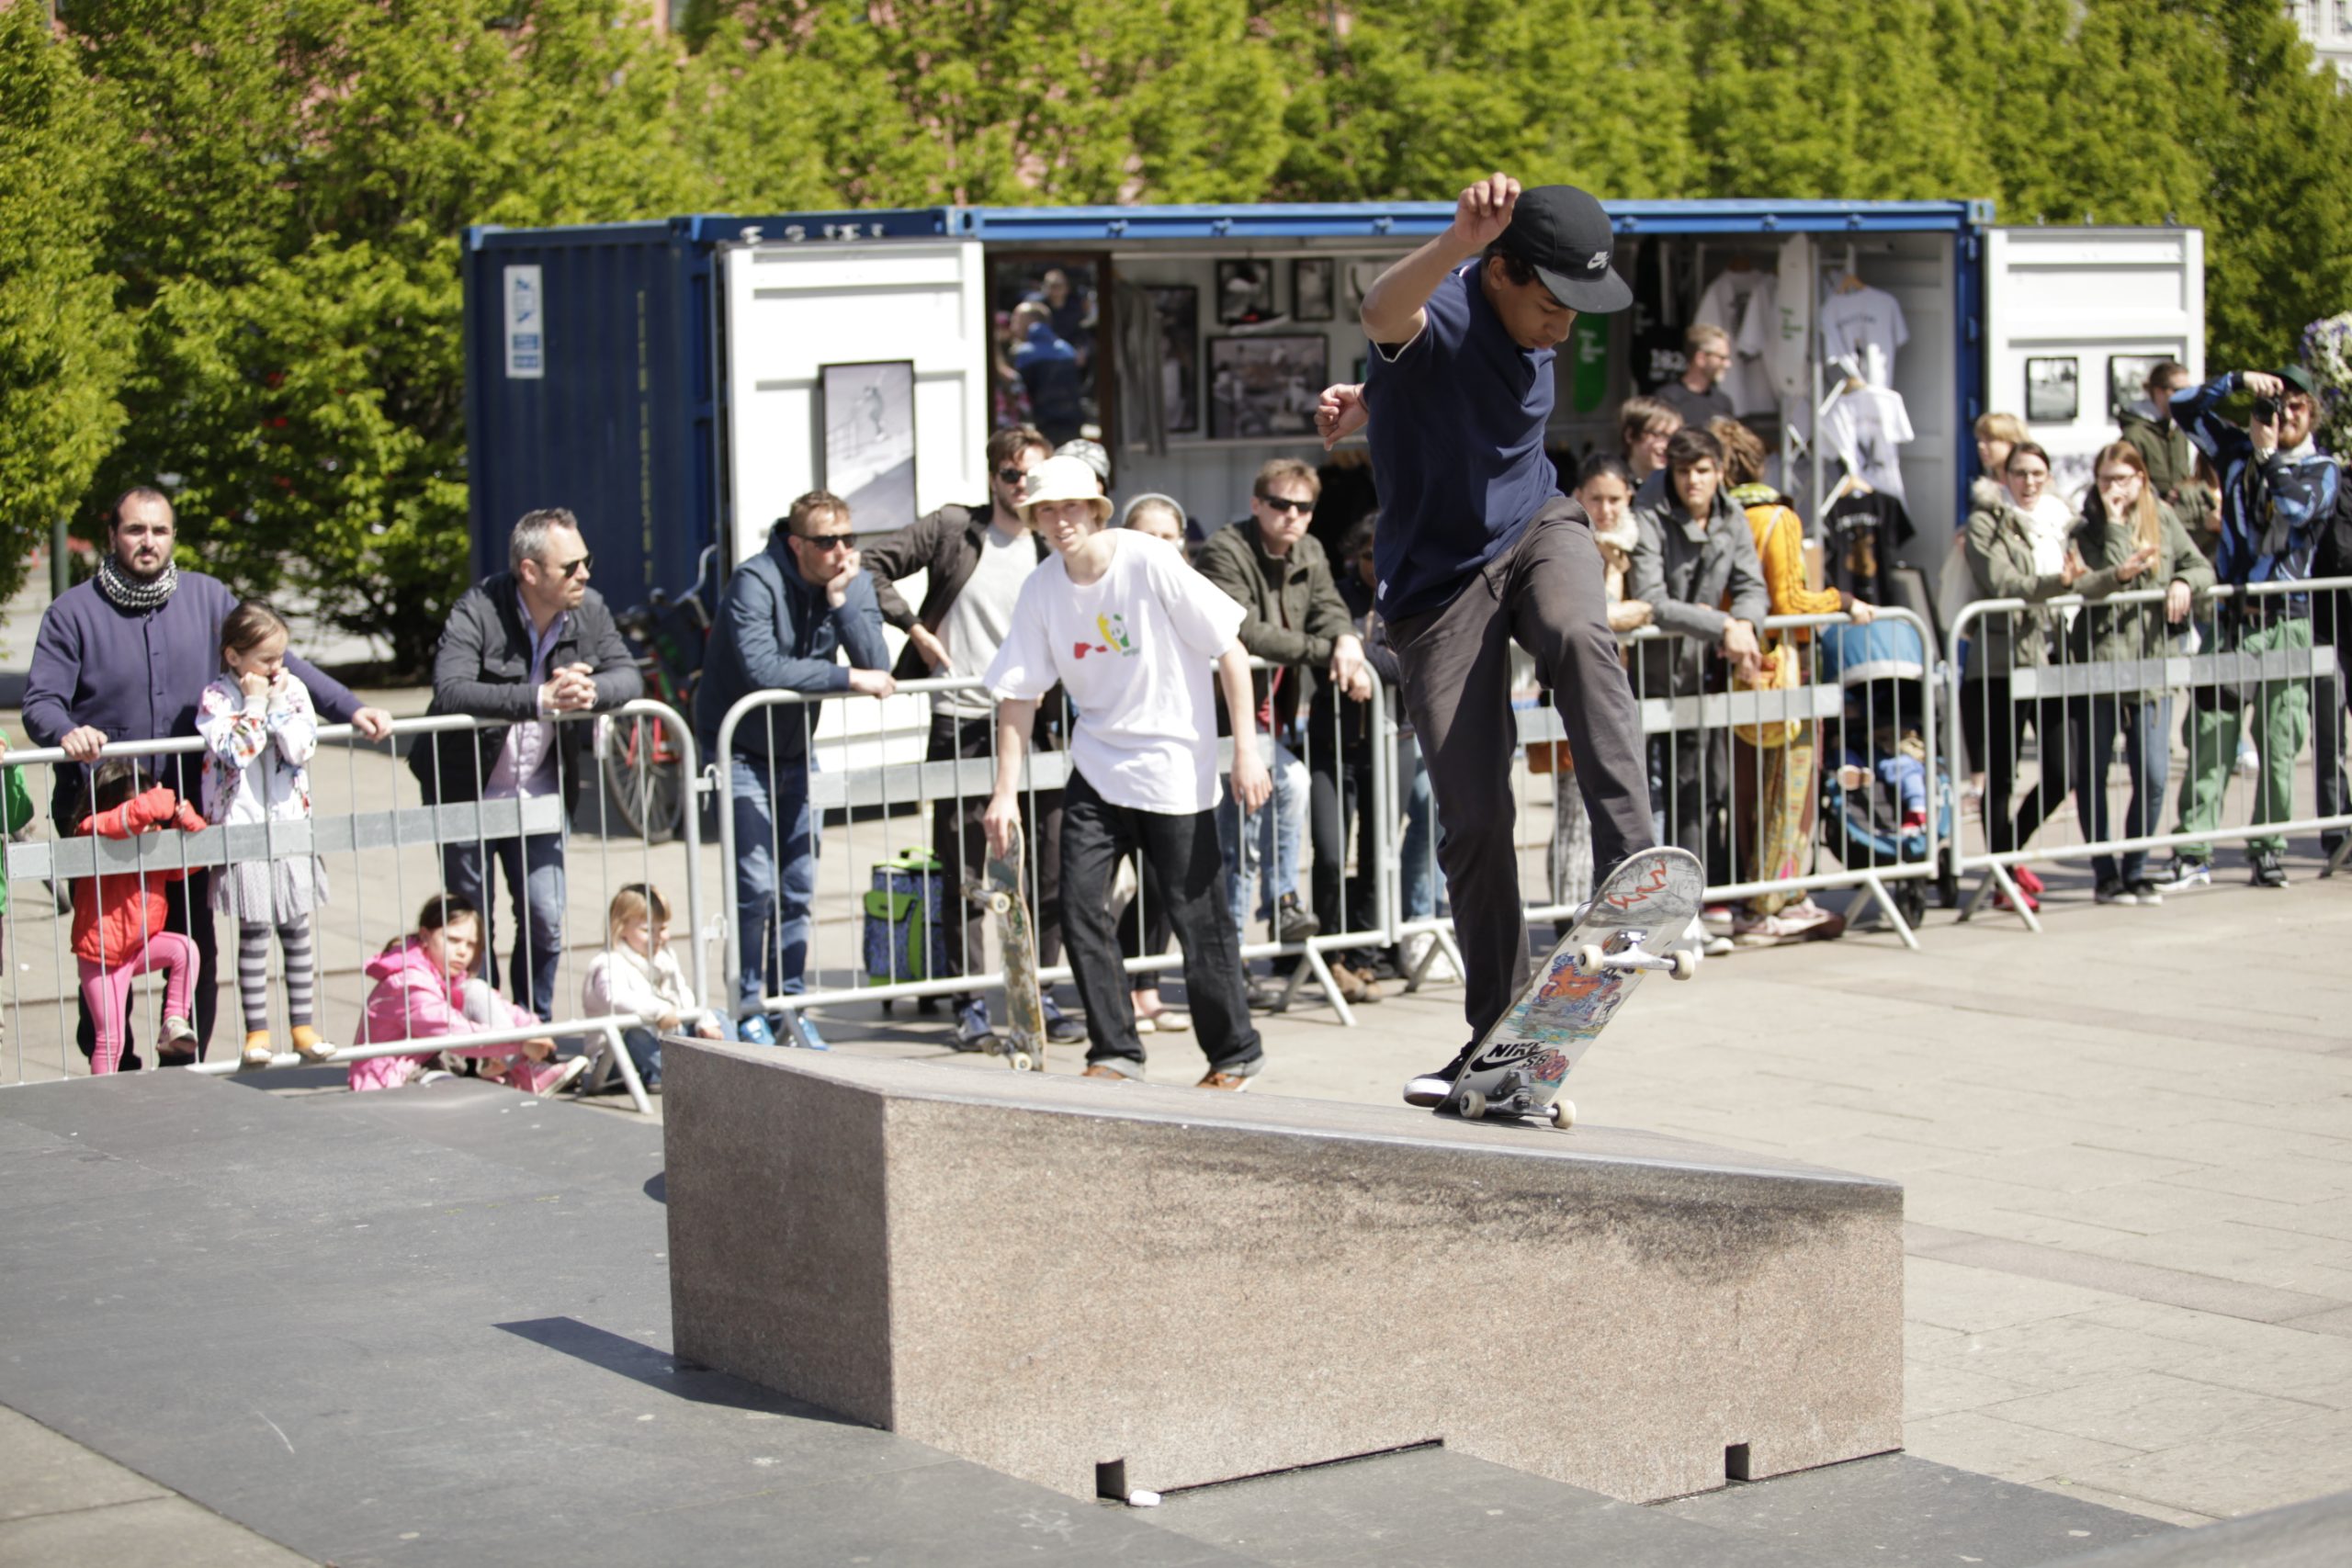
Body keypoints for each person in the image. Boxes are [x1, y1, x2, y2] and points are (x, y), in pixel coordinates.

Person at [1315, 174, 1658, 1108]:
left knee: (1576, 631)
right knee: (1473, 817)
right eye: (1549, 307)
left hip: (1536, 528)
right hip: (1436, 591)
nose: (1563, 330)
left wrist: (1372, 407)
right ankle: (1499, 1038)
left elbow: (1434, 401)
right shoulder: (1449, 307)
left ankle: (1637, 870)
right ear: (1499, 271)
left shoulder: (1525, 317)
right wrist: (1451, 243)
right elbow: (1383, 309)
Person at [21, 487, 392, 1067]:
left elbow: (278, 659)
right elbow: (40, 700)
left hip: (189, 815)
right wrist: (65, 730)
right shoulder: (73, 611)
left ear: (174, 536)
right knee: (105, 952)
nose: (148, 542)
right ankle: (111, 1068)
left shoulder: (209, 597)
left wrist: (348, 707)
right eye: (135, 530)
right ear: (112, 535)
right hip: (104, 813)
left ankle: (182, 1065)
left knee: (198, 945)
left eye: (160, 531)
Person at [982, 456, 1272, 1089]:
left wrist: (1245, 749)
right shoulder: (1041, 589)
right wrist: (1004, 791)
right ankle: (1115, 1048)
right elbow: (1018, 693)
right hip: (1097, 767)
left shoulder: (1147, 558)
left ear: (1095, 508)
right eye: (1046, 511)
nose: (1060, 522)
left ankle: (1234, 1052)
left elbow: (1231, 646)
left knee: (1197, 919)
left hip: (1173, 767)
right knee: (1081, 906)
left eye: (1070, 508)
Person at [863, 424, 1082, 1053]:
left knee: (1049, 864)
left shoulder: (1056, 541)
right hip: (959, 717)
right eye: (1012, 475)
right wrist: (914, 628)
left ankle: (1037, 991)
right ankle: (969, 1003)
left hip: (1039, 722)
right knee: (964, 865)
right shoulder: (955, 529)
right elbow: (872, 564)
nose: (1023, 486)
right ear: (994, 478)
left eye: (1034, 476)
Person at [415, 508, 639, 1021]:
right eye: (571, 566)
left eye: (587, 561)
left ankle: (533, 1026)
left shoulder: (590, 608)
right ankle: (483, 1033)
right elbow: (449, 689)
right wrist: (539, 699)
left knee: (546, 917)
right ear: (530, 571)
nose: (584, 574)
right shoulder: (477, 609)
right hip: (466, 791)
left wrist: (593, 690)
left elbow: (628, 674)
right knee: (471, 928)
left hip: (541, 793)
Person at [694, 491, 894, 1044]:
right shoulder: (755, 582)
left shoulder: (850, 580)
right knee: (756, 885)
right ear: (796, 543)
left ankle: (791, 1004)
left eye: (849, 540)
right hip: (738, 750)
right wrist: (844, 679)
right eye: (827, 542)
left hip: (795, 754)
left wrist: (843, 601)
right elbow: (762, 668)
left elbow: (878, 664)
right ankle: (750, 1004)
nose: (841, 552)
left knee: (799, 885)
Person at [2158, 366, 2341, 889]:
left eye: (2297, 407)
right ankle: (2193, 850)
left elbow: (2294, 509)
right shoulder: (2235, 450)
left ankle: (2268, 849)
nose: (2284, 416)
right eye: (2277, 405)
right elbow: (2184, 408)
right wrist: (2238, 381)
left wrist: (2268, 456)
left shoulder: (2322, 468)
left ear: (2313, 415)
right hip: (2234, 621)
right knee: (2212, 738)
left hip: (2288, 621)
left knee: (2279, 745)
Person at [1195, 458, 1363, 985]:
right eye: (1281, 504)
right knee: (1244, 833)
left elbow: (1331, 608)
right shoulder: (1225, 549)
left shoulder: (1309, 549)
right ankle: (1269, 916)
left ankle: (1249, 944)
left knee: (1249, 829)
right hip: (1223, 717)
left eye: (1304, 507)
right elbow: (1245, 629)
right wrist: (1324, 651)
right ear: (1256, 504)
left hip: (1273, 718)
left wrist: (1349, 640)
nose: (1293, 515)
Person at [1713, 418, 1866, 946]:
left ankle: (1759, 898)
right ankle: (1776, 898)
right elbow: (1791, 599)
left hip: (1733, 668)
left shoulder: (1721, 514)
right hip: (1780, 669)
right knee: (1788, 788)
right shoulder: (1775, 517)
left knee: (1749, 790)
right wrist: (1841, 601)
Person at [1627, 426, 1770, 929]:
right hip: (1643, 675)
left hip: (1699, 675)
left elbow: (1753, 586)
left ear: (1720, 472)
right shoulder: (1648, 512)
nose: (1693, 481)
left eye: (1703, 471)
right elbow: (1653, 599)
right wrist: (1724, 624)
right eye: (1684, 471)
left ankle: (1691, 904)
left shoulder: (1733, 517)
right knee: (1645, 795)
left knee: (1699, 786)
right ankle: (1647, 908)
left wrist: (1746, 622)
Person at [2067, 442, 2213, 904]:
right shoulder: (2086, 527)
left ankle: (2135, 867)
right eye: (2107, 479)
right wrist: (2113, 532)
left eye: (2124, 479)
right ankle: (2104, 871)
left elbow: (2200, 565)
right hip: (2102, 661)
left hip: (2153, 663)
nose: (2115, 487)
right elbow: (2090, 585)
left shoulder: (2162, 518)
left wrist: (2182, 582)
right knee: (2093, 773)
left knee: (2151, 774)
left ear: (2141, 479)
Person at [196, 602, 334, 1069]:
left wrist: (275, 706)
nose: (278, 667)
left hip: (290, 824)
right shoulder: (216, 698)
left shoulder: (293, 690)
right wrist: (254, 705)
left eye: (281, 657)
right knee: (254, 934)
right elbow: (237, 751)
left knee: (297, 931)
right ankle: (257, 1031)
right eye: (267, 659)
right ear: (234, 657)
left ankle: (303, 1025)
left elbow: (301, 747)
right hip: (244, 828)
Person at [1962, 442, 2083, 910]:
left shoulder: (2061, 521)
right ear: (2004, 477)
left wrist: (2116, 576)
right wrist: (2062, 584)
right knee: (2001, 776)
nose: (2028, 482)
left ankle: (2004, 859)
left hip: (2048, 659)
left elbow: (2081, 578)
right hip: (1998, 663)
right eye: (2019, 473)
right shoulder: (1985, 521)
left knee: (2060, 772)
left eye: (2037, 473)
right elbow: (2004, 583)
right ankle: (2003, 879)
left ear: (2048, 476)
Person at [1544, 457, 1651, 919]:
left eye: (1614, 498)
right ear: (1578, 498)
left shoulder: (1637, 543)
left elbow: (1656, 601)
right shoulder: (1566, 539)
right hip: (1573, 689)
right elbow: (1585, 617)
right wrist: (1625, 613)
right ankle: (1570, 913)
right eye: (1596, 498)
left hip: (1625, 692)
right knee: (1572, 810)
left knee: (1629, 802)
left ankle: (1623, 904)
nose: (1605, 509)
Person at [347, 893, 586, 1095]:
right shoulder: (408, 983)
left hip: (429, 1062)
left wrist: (535, 1030)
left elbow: (502, 1008)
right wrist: (521, 1044)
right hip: (390, 1078)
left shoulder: (445, 977)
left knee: (476, 991)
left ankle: (525, 1071)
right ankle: (518, 1073)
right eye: (453, 940)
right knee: (470, 1100)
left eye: (471, 944)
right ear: (425, 936)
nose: (463, 952)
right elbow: (452, 1031)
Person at [1114, 493, 1199, 1033]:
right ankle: (1120, 990)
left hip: (1176, 755)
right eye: (1149, 536)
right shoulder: (1111, 591)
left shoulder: (1190, 592)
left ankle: (1146, 987)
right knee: (1096, 890)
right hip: (1114, 760)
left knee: (1165, 882)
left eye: (1170, 537)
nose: (1160, 548)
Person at [70, 761, 205, 1077]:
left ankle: (174, 1020)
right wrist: (153, 803)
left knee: (186, 950)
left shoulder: (151, 837)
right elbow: (117, 823)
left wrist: (189, 822)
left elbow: (186, 865)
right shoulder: (91, 829)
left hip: (139, 945)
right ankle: (105, 1101)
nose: (147, 818)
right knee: (110, 1040)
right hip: (102, 954)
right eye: (137, 805)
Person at [582, 883, 724, 1094]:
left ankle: (729, 1073)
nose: (660, 936)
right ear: (621, 929)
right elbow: (614, 997)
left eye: (663, 928)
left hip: (661, 1041)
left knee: (720, 1016)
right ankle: (699, 1084)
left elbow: (682, 992)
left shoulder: (664, 957)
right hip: (614, 1059)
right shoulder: (608, 963)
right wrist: (660, 1010)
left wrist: (703, 1019)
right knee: (635, 1033)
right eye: (648, 930)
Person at [2116, 361, 2220, 554]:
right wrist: (2157, 496)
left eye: (2189, 390)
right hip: (2150, 523)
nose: (2186, 396)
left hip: (2184, 519)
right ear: (2159, 391)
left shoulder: (2180, 428)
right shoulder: (2135, 434)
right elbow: (2124, 482)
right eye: (2179, 390)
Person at [1012, 301, 1084, 446]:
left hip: (1045, 426)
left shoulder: (1025, 354)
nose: (1013, 326)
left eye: (1016, 320)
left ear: (1030, 321)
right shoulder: (1066, 349)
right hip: (1073, 422)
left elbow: (1018, 392)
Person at [1656, 324, 1736, 427]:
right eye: (1722, 358)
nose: (1728, 364)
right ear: (1701, 358)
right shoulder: (1667, 399)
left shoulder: (1723, 402)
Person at [1620, 395, 1683, 491]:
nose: (1667, 445)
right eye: (1659, 435)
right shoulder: (1611, 482)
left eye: (1674, 437)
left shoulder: (1679, 486)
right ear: (1630, 435)